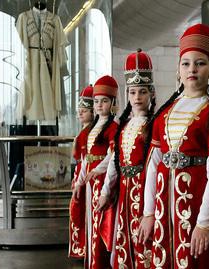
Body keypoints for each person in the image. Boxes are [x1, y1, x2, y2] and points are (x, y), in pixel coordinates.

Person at [137, 24, 209, 269]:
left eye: (200, 63)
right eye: (186, 63)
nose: (192, 69)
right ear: (178, 70)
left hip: (196, 204)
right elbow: (153, 163)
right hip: (161, 207)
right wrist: (148, 213)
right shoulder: (165, 113)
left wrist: (204, 223)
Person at [96, 49, 156, 268]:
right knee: (124, 240)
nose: (137, 97)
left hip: (145, 189)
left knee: (144, 241)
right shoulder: (122, 126)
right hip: (124, 191)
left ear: (151, 93)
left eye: (142, 92)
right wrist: (105, 191)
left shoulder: (154, 125)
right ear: (127, 95)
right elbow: (114, 161)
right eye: (132, 92)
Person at [73, 75, 119, 268]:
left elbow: (113, 156)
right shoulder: (92, 128)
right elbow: (86, 158)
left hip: (103, 182)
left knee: (101, 223)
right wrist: (80, 182)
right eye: (97, 101)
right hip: (91, 182)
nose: (100, 105)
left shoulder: (114, 128)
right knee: (91, 221)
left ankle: (100, 263)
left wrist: (98, 171)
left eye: (105, 101)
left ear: (113, 103)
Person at [68, 85, 94, 259]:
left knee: (81, 210)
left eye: (84, 111)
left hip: (84, 175)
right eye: (79, 111)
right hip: (79, 172)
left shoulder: (89, 133)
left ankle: (84, 247)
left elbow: (86, 157)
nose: (80, 114)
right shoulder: (83, 132)